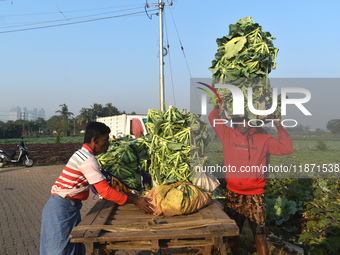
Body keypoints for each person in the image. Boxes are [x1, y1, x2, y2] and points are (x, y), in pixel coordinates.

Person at [40, 122, 154, 255]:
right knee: (59, 251)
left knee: (73, 249)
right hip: (61, 209)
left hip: (67, 207)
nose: (108, 144)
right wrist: (135, 201)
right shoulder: (88, 160)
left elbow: (105, 186)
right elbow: (105, 191)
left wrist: (133, 196)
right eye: (106, 140)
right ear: (95, 140)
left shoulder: (82, 154)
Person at [209, 105, 293, 255]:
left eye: (246, 120)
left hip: (255, 196)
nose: (242, 124)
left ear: (253, 121)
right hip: (233, 194)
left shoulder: (264, 139)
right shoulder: (228, 134)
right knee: (232, 233)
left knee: (260, 236)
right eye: (238, 120)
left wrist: (278, 125)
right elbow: (212, 118)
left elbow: (287, 148)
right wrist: (218, 106)